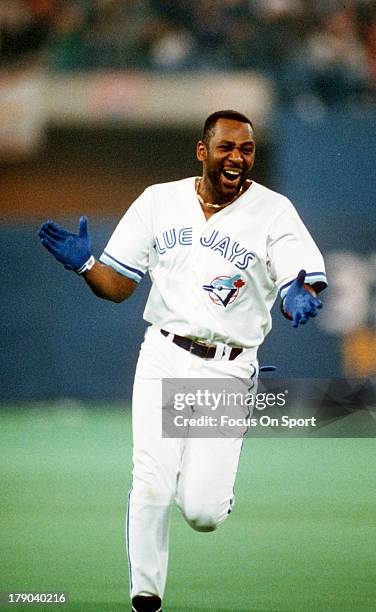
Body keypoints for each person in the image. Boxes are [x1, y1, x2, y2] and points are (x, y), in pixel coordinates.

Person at [38, 109, 327, 612]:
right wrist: (86, 265)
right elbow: (119, 285)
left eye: (247, 149)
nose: (237, 157)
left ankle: (217, 490)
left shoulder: (273, 210)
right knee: (150, 479)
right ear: (203, 151)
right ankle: (145, 597)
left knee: (202, 512)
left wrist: (294, 294)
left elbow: (297, 273)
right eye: (227, 147)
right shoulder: (159, 202)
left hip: (230, 367)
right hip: (165, 355)